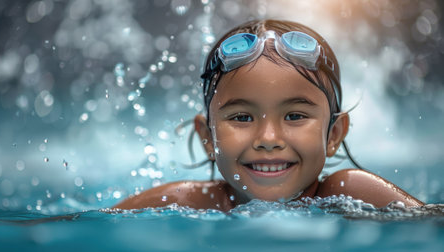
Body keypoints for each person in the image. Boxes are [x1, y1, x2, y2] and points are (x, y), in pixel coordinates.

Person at [114, 19, 423, 211]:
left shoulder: (351, 192)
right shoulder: (187, 203)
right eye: (242, 118)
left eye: (294, 116)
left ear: (333, 135)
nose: (268, 139)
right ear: (208, 138)